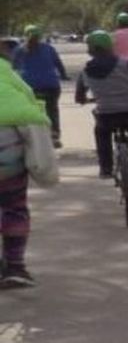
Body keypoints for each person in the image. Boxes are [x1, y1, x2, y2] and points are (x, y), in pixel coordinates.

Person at [0, 41, 58, 288]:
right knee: (14, 206)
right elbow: (30, 103)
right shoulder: (9, 75)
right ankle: (15, 267)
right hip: (7, 156)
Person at [75, 30, 128, 188]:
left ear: (90, 50)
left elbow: (79, 96)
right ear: (111, 47)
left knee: (101, 134)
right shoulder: (126, 63)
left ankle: (106, 167)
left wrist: (84, 99)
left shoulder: (85, 71)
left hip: (106, 114)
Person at [11, 25, 67, 148]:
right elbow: (58, 64)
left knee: (29, 110)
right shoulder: (49, 48)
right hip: (51, 86)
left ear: (25, 36)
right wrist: (64, 76)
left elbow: (12, 68)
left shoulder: (19, 50)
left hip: (29, 87)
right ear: (40, 36)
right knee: (52, 109)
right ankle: (54, 134)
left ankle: (30, 137)